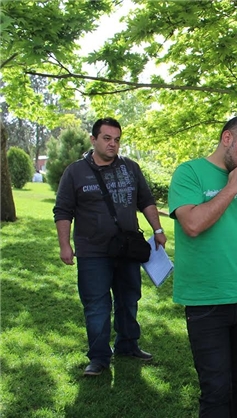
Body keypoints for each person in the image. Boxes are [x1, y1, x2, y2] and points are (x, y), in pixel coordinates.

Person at [53, 117, 167, 376]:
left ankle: (128, 345)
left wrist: (158, 230)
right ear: (93, 139)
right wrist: (64, 245)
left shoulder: (131, 167)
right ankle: (99, 357)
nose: (112, 144)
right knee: (96, 305)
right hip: (92, 252)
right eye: (107, 138)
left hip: (127, 249)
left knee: (129, 299)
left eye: (117, 139)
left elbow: (146, 200)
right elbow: (63, 210)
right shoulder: (75, 172)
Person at [168, 116, 237, 418]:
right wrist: (231, 188)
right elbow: (192, 225)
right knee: (216, 390)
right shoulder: (189, 173)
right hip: (207, 302)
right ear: (227, 139)